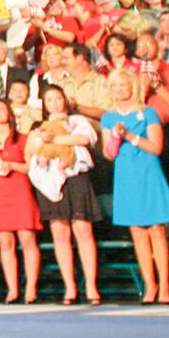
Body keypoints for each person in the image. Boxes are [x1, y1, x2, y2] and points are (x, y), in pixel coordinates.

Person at [101, 68, 169, 303]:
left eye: (123, 85)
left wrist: (131, 137)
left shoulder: (148, 113)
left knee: (157, 229)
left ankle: (165, 286)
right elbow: (108, 153)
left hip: (148, 171)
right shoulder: (108, 117)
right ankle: (150, 286)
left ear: (132, 87)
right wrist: (116, 138)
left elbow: (156, 147)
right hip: (126, 175)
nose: (119, 90)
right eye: (115, 86)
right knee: (136, 231)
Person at [24, 85, 103, 304]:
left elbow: (83, 140)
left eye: (58, 99)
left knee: (83, 229)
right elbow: (30, 149)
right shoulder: (39, 127)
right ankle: (70, 286)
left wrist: (55, 139)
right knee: (60, 233)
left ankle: (91, 285)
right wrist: (45, 140)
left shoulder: (77, 121)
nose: (55, 103)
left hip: (76, 178)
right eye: (49, 100)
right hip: (51, 181)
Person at [0, 98, 42, 304]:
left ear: (9, 113)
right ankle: (13, 289)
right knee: (6, 243)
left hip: (20, 190)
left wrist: (12, 166)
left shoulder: (23, 138)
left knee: (27, 240)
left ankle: (31, 288)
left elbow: (30, 167)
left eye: (1, 109)